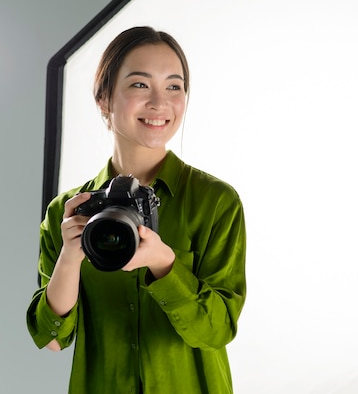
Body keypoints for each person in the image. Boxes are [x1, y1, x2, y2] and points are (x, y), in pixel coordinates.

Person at [26, 26, 246, 394]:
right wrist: (69, 257)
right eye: (140, 85)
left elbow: (217, 330)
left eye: (174, 87)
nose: (160, 103)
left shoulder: (215, 202)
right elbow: (51, 337)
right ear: (104, 99)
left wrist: (165, 264)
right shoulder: (67, 211)